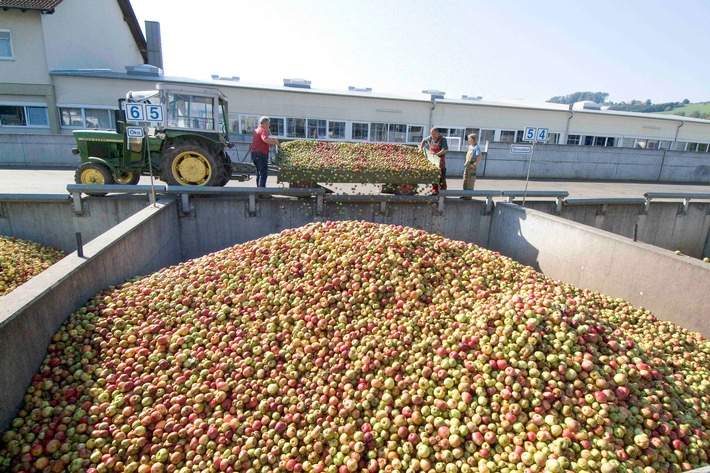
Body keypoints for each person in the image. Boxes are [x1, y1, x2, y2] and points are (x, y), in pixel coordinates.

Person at [251, 116, 279, 187]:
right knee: (263, 174)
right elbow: (265, 140)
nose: (269, 126)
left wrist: (271, 141)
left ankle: (259, 190)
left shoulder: (257, 130)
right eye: (269, 124)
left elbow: (263, 142)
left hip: (254, 154)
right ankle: (262, 192)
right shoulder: (262, 131)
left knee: (259, 173)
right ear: (265, 124)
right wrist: (275, 142)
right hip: (261, 154)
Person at [420, 128, 448, 194]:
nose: (432, 135)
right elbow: (423, 140)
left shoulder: (443, 139)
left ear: (438, 133)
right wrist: (421, 148)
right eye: (431, 134)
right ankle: (434, 191)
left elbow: (444, 150)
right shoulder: (430, 138)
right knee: (433, 176)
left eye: (434, 134)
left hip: (440, 162)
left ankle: (443, 193)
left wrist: (436, 155)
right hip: (432, 162)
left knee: (441, 178)